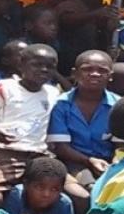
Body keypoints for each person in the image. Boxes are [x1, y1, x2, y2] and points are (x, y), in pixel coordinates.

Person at [0, 43, 61, 196]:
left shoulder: (53, 94)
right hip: (4, 154)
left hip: (39, 156)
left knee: (72, 195)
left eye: (49, 66)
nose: (44, 70)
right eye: (37, 65)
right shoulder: (4, 88)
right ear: (21, 64)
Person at [46, 50, 116, 186]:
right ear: (74, 74)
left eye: (102, 70)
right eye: (87, 69)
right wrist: (90, 160)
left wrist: (114, 164)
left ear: (110, 76)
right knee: (90, 189)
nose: (95, 74)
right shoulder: (61, 105)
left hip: (109, 162)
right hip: (73, 162)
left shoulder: (118, 106)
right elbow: (61, 147)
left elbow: (120, 146)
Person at [3, 155, 78, 214]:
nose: (46, 194)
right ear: (26, 184)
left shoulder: (64, 203)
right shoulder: (17, 196)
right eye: (39, 187)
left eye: (54, 189)